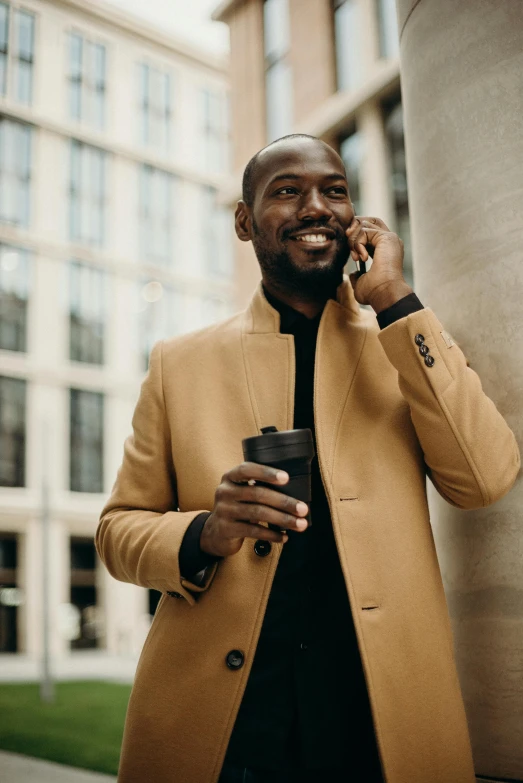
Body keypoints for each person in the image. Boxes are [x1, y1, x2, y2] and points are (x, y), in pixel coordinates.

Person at [96, 134, 520, 783]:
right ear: (244, 222)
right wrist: (205, 530)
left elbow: (485, 477)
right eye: (287, 191)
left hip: (376, 727)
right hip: (228, 731)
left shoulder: (403, 338)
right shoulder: (178, 363)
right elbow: (117, 529)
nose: (316, 206)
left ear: (355, 219)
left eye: (334, 190)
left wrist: (393, 298)